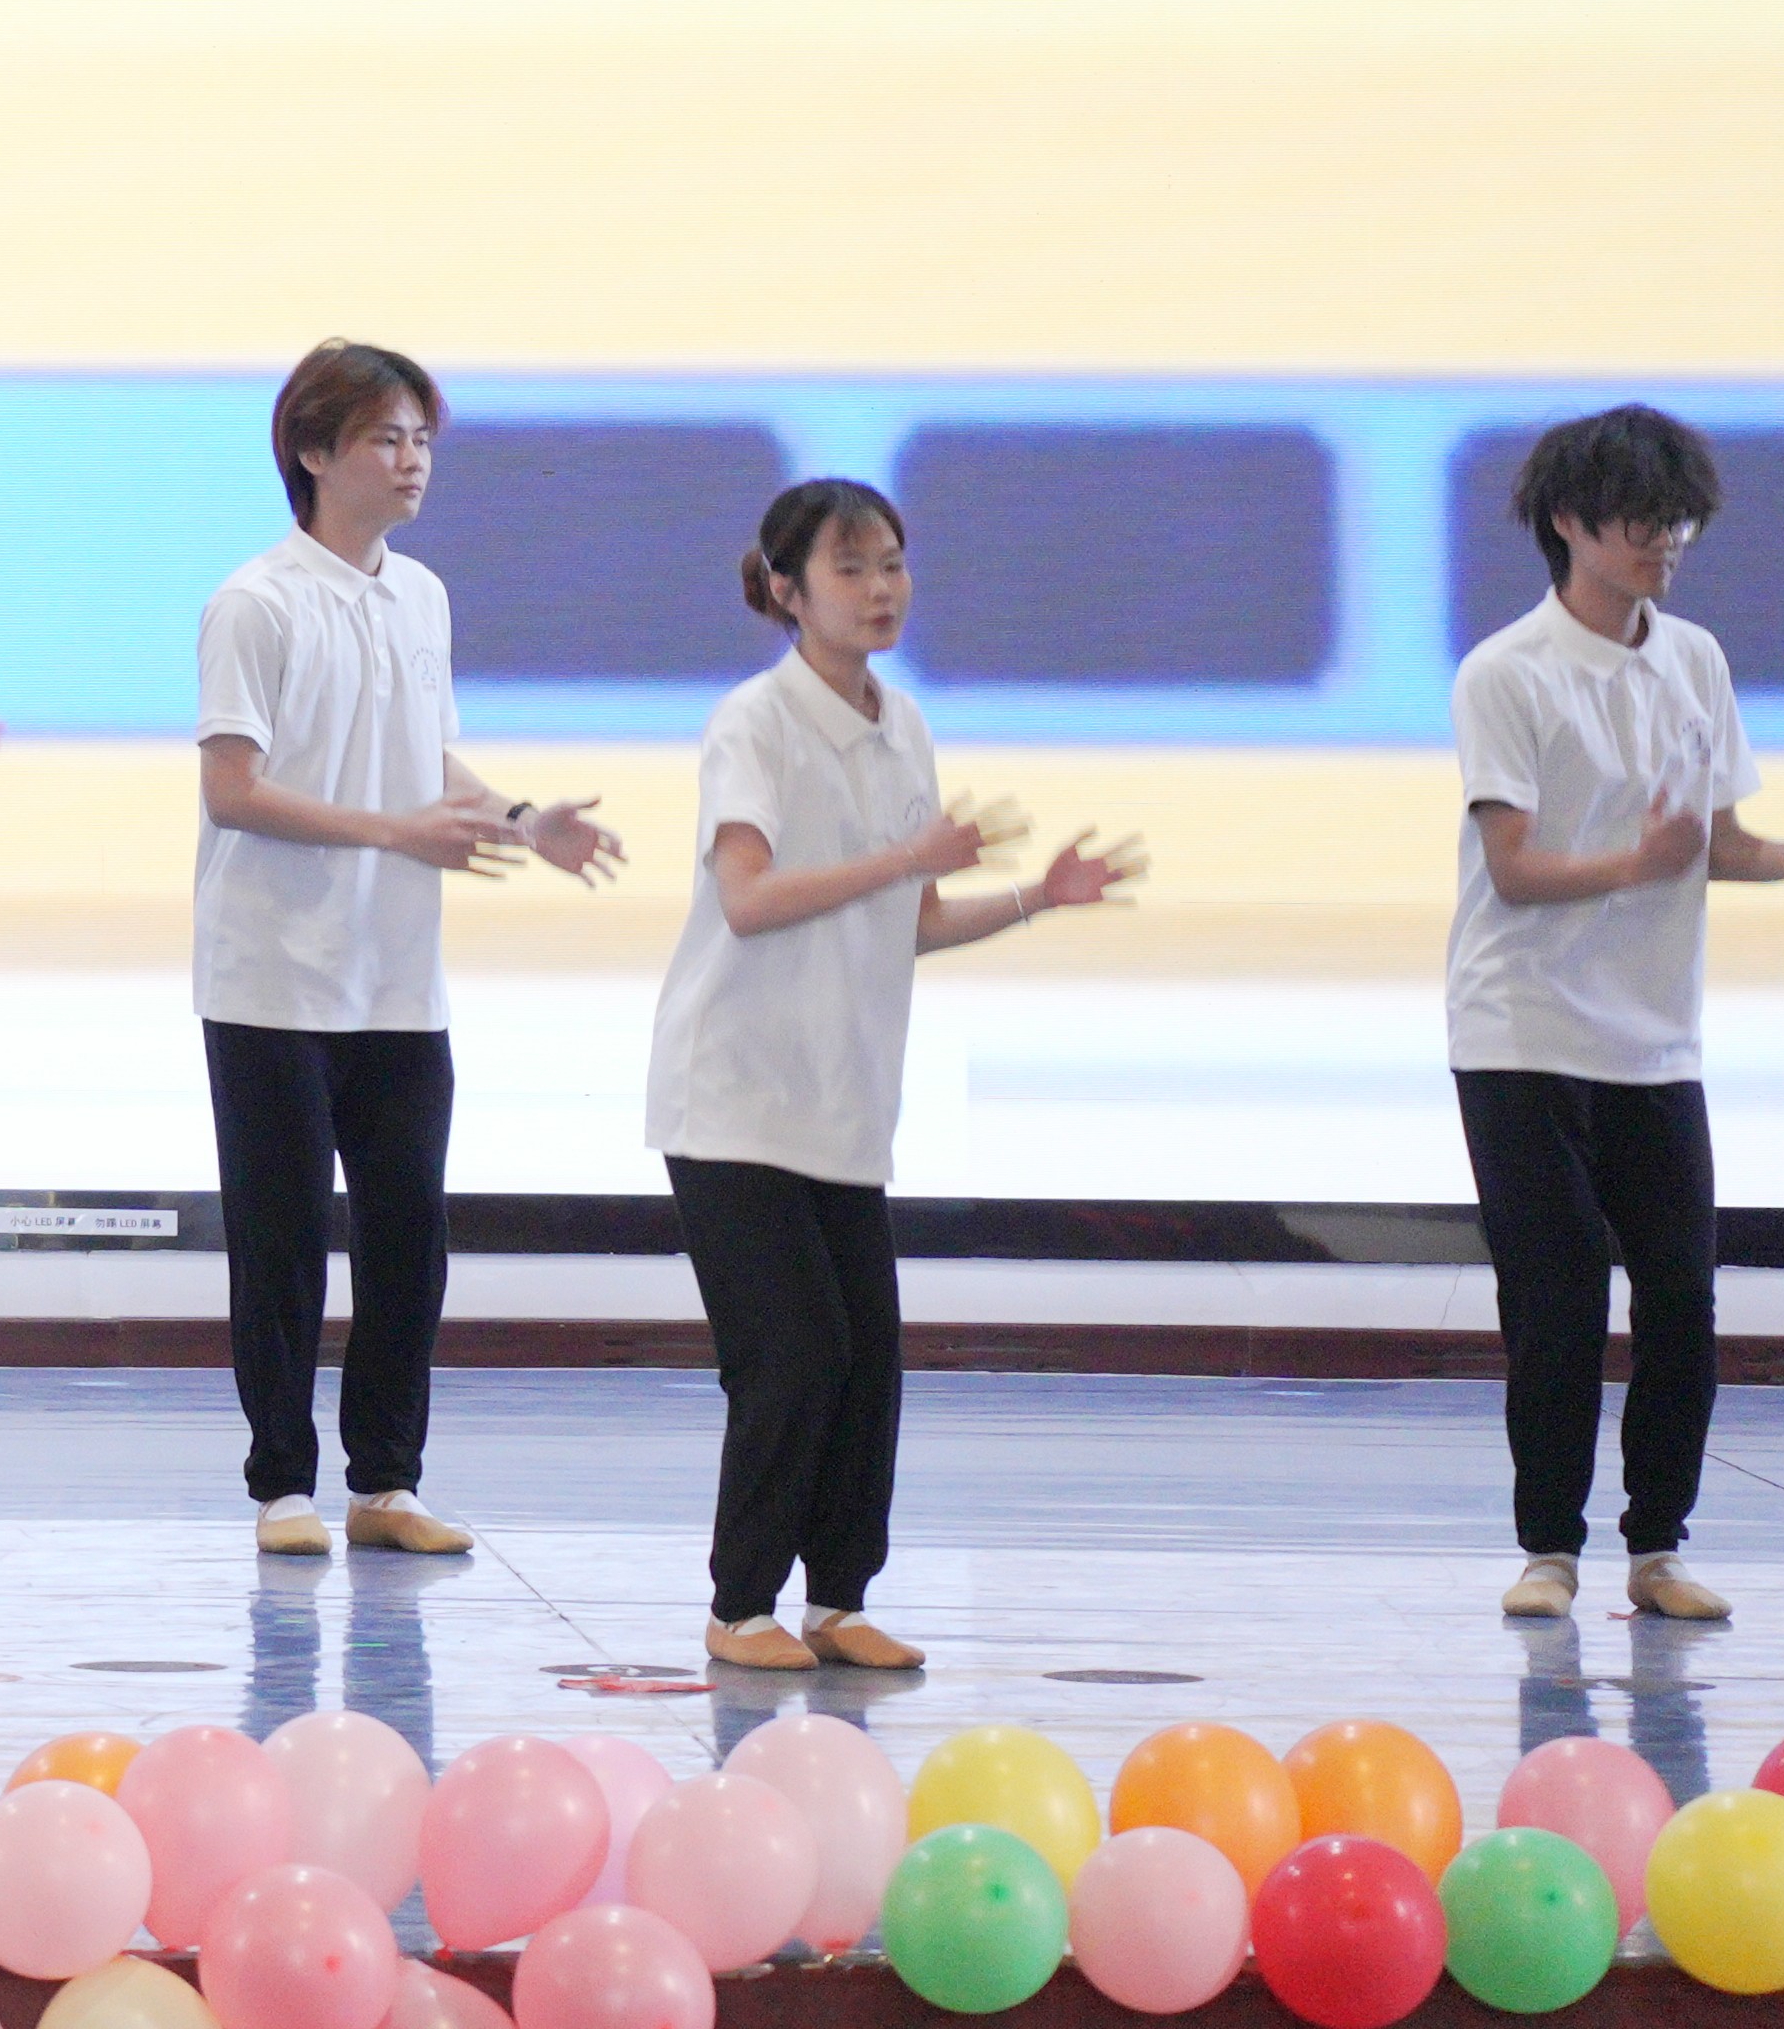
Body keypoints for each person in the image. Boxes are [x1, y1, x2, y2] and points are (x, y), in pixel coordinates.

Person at [640, 474, 1135, 1678]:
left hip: (845, 1100)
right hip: (735, 1095)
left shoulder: (902, 722)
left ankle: (839, 1600)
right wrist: (902, 852)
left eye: (893, 563)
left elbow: (910, 918)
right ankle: (739, 1606)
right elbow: (749, 898)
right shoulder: (754, 722)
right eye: (851, 567)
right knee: (793, 1354)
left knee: (867, 1365)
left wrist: (1035, 896)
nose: (880, 588)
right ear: (786, 589)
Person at [1451, 403, 1784, 1626]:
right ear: (1569, 523)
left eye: (1679, 521)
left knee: (1682, 1300)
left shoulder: (1695, 659)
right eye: (1643, 521)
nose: (1667, 542)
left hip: (1654, 1039)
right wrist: (1640, 861)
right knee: (1557, 1300)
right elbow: (1514, 868)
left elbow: (1714, 844)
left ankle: (1658, 1549)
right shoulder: (1507, 672)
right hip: (1521, 1032)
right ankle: (1549, 1551)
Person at [192, 339, 610, 1565]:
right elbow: (233, 788)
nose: (413, 458)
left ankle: (386, 1478)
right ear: (313, 452)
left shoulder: (420, 594)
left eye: (423, 437)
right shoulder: (257, 602)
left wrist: (521, 819)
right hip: (272, 975)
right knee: (281, 1243)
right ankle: (282, 1485)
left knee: (406, 1239)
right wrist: (395, 832)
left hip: (396, 978)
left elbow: (426, 754)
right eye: (386, 436)